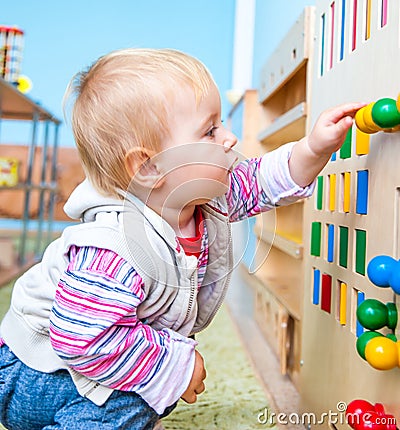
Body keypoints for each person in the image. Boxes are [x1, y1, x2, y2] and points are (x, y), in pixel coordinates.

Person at [0, 48, 364, 430]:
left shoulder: (205, 201)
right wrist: (173, 364)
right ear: (148, 167)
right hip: (33, 372)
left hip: (71, 362)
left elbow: (260, 181)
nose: (230, 138)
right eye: (210, 130)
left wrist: (313, 149)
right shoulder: (115, 249)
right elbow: (81, 340)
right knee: (144, 391)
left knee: (157, 386)